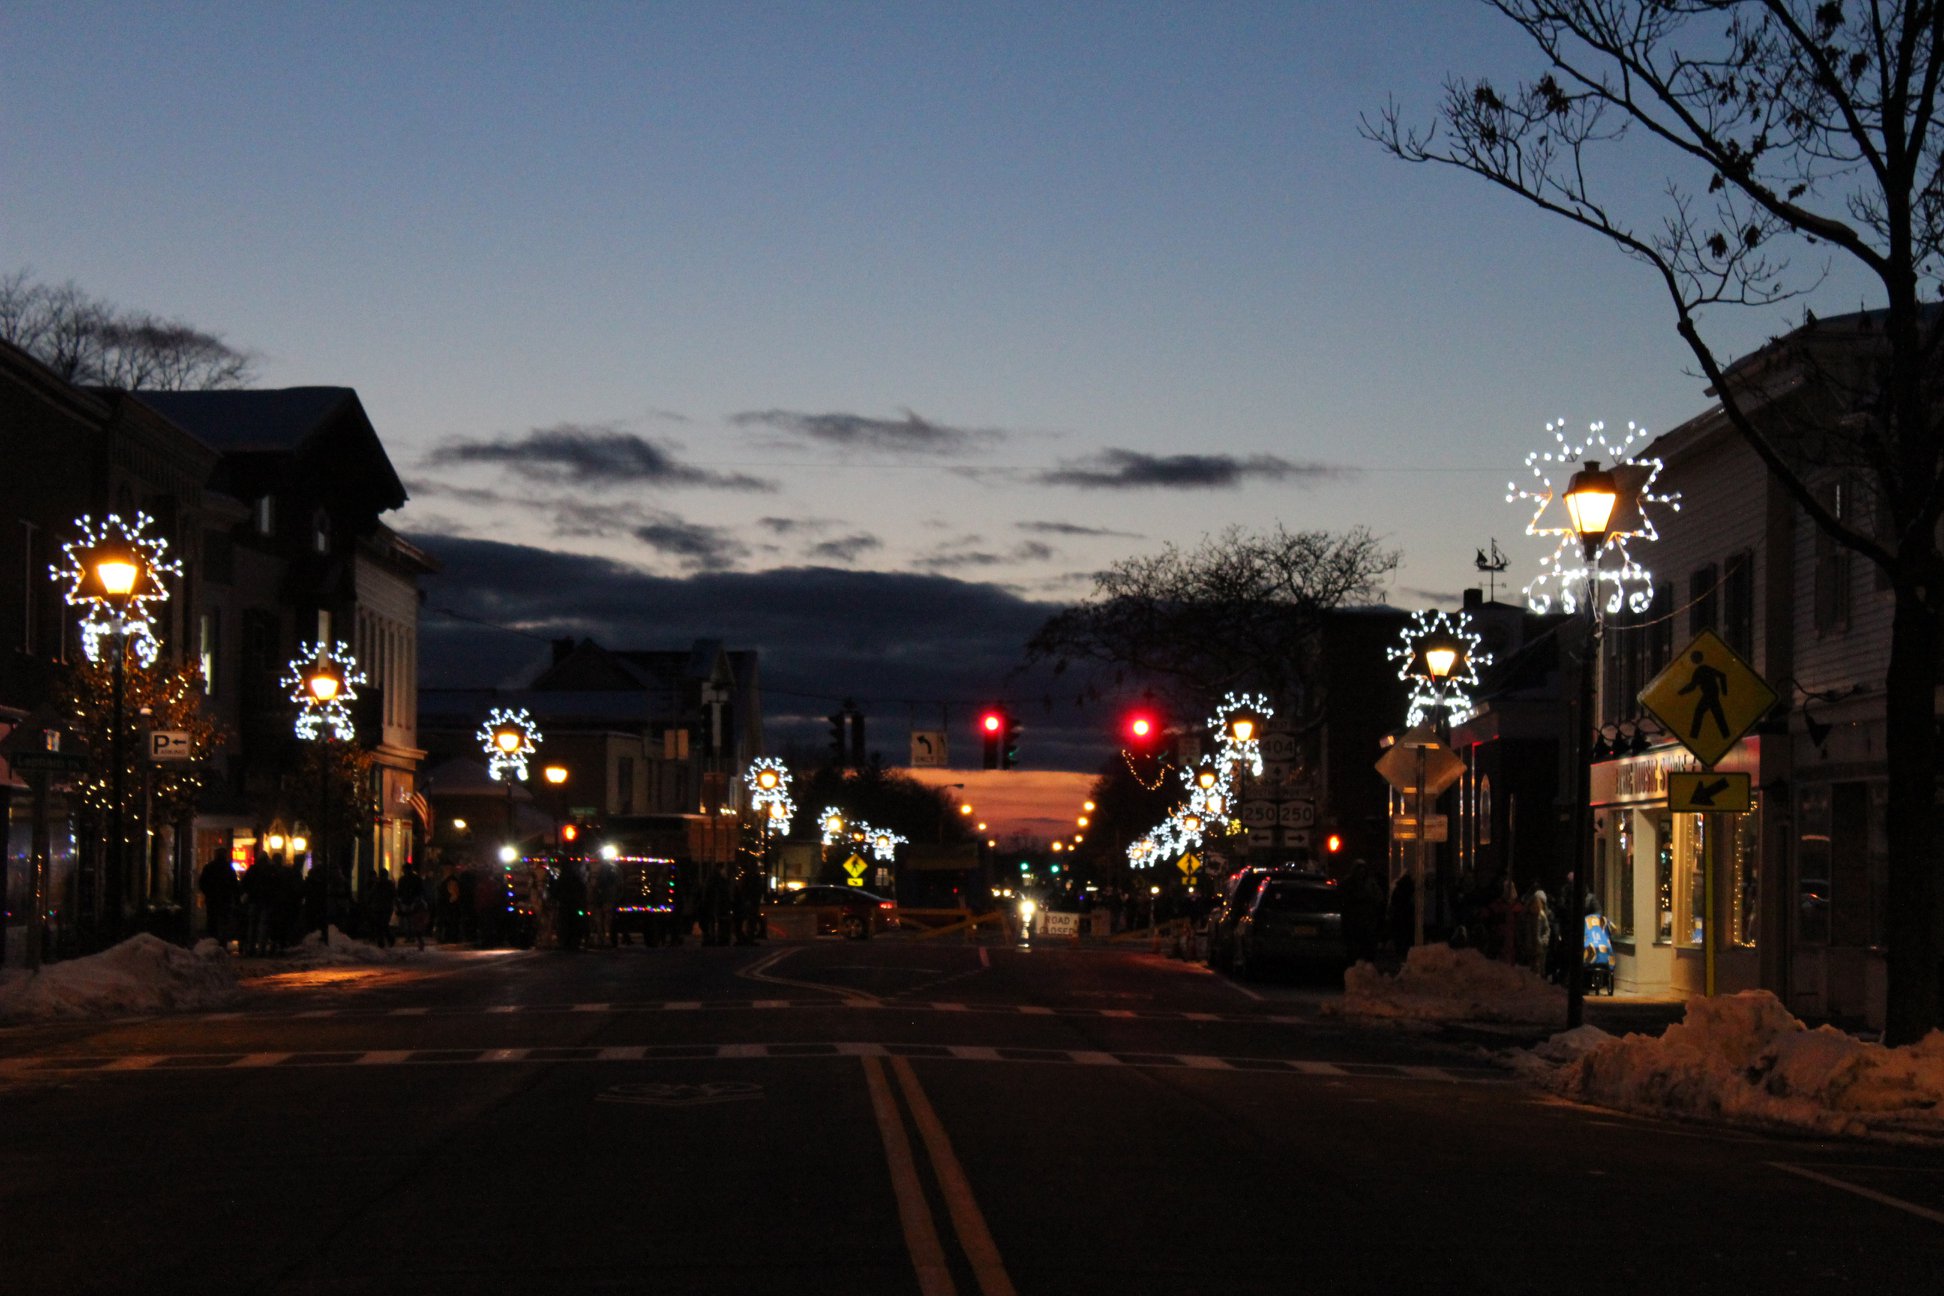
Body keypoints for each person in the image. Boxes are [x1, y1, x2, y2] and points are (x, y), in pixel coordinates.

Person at [198, 850, 239, 951]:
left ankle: (212, 943)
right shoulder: (229, 868)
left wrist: (208, 893)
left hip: (212, 899)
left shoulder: (209, 867)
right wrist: (234, 897)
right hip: (225, 899)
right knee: (224, 922)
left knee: (212, 921)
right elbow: (234, 885)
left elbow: (202, 883)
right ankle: (222, 944)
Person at [396, 861, 428, 950]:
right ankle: (412, 936)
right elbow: (421, 890)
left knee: (409, 919)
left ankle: (410, 935)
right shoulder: (416, 879)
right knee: (412, 920)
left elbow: (399, 891)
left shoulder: (403, 879)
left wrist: (400, 899)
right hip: (412, 901)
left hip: (408, 901)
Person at [367, 867, 397, 948]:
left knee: (381, 924)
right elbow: (394, 895)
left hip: (380, 907)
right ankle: (386, 939)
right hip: (384, 907)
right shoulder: (388, 884)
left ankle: (384, 940)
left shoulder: (378, 884)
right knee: (382, 924)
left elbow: (371, 895)